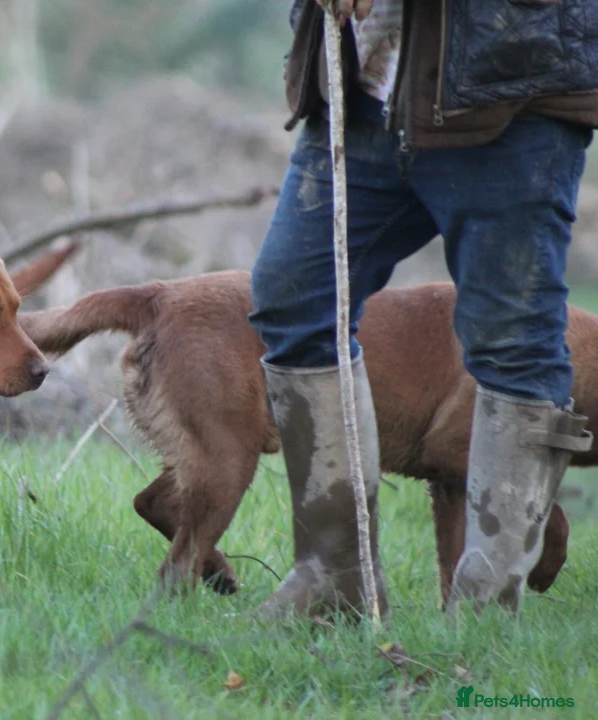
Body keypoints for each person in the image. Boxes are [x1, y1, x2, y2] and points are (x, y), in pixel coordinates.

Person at [250, 0, 598, 619]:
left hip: (509, 94)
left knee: (513, 338)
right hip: (364, 88)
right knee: (292, 299)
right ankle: (332, 586)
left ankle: (485, 613)